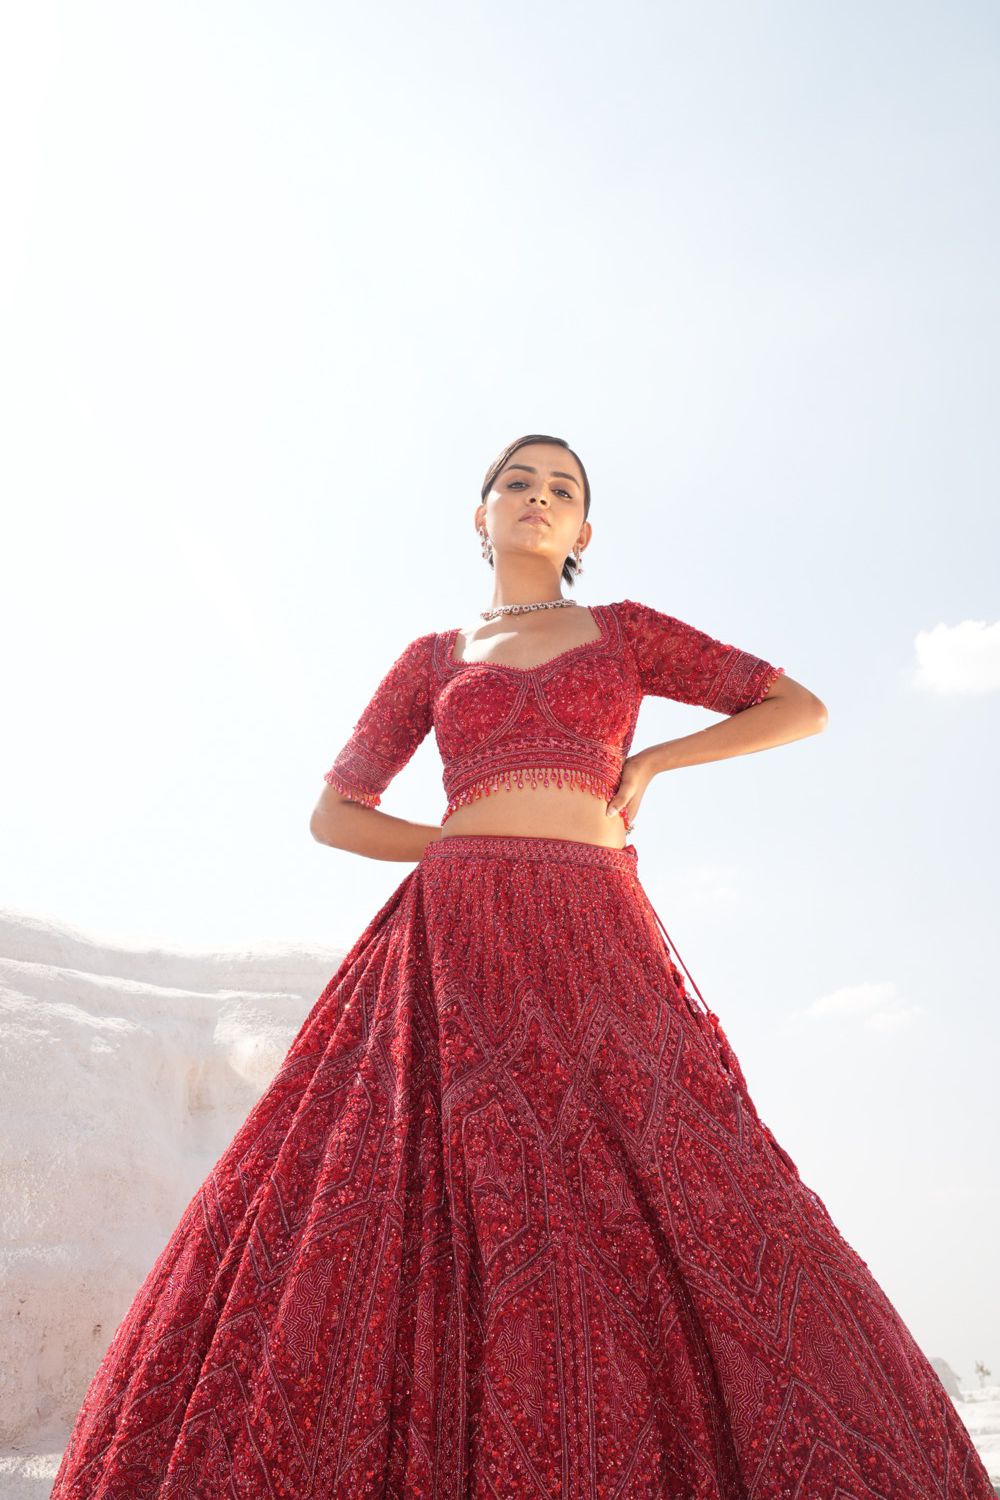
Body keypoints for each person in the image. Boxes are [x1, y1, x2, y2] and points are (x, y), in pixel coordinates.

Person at [52, 435, 993, 1498]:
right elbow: (335, 814)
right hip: (458, 928)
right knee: (430, 1177)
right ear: (480, 514)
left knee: (678, 1157)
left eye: (562, 491)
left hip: (595, 917)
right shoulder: (432, 658)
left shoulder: (627, 634)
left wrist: (652, 760)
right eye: (517, 483)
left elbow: (797, 707)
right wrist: (462, 845)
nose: (538, 499)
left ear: (584, 533)